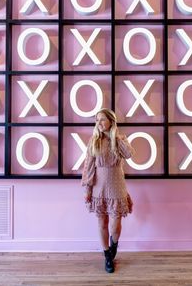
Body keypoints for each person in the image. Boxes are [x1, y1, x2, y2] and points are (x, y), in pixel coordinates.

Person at [81, 108, 134, 273]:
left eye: (102, 119)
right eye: (97, 120)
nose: (99, 123)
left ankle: (114, 245)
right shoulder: (94, 141)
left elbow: (129, 154)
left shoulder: (119, 139)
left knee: (115, 225)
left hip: (117, 187)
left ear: (111, 121)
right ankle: (107, 256)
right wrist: (88, 189)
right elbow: (89, 166)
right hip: (99, 187)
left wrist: (116, 136)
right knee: (101, 222)